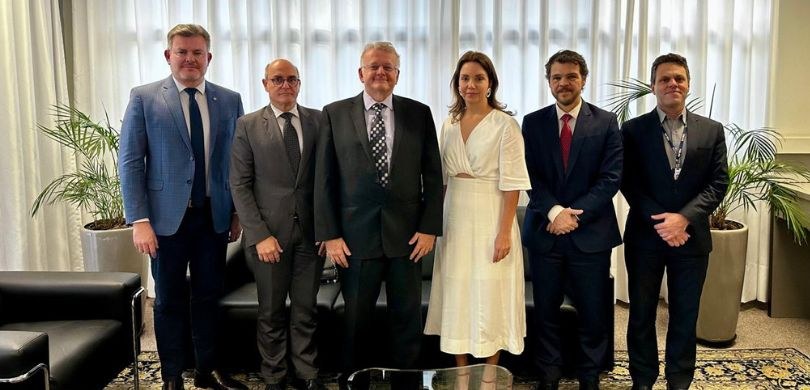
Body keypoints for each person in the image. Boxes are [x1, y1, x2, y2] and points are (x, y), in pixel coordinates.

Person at [119, 24, 246, 390]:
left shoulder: (229, 99)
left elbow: (236, 162)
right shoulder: (145, 97)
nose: (190, 59)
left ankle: (208, 371)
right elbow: (130, 161)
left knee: (208, 297)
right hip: (164, 221)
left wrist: (236, 211)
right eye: (182, 52)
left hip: (213, 217)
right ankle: (172, 375)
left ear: (209, 57)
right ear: (168, 55)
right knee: (169, 300)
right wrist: (139, 220)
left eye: (197, 53)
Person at [314, 41, 443, 381]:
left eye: (388, 67)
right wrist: (330, 235)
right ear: (361, 73)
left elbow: (433, 175)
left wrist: (430, 227)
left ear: (398, 75)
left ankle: (406, 383)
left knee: (407, 318)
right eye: (374, 66)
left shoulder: (419, 113)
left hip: (409, 237)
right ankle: (355, 381)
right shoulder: (334, 113)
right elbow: (324, 179)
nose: (381, 72)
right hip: (354, 239)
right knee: (356, 319)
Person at [423, 51, 531, 389]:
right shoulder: (449, 123)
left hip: (491, 216)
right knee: (457, 293)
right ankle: (461, 372)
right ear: (457, 84)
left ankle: (488, 375)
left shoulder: (505, 125)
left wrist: (504, 233)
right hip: (454, 216)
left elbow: (513, 183)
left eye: (478, 78)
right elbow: (439, 179)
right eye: (465, 78)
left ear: (490, 84)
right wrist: (432, 226)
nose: (470, 85)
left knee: (490, 294)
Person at [621, 53, 728, 390]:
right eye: (665, 79)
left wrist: (683, 219)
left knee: (684, 315)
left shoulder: (711, 131)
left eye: (679, 78)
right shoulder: (633, 130)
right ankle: (643, 378)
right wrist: (663, 223)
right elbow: (628, 182)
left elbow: (718, 182)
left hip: (691, 239)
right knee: (641, 314)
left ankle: (679, 380)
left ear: (688, 84)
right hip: (645, 238)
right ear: (654, 86)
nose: (673, 84)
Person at [521, 50, 623, 390]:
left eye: (571, 76)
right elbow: (529, 175)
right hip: (545, 233)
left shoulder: (606, 122)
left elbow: (610, 178)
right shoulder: (532, 123)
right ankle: (548, 376)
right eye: (557, 77)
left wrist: (572, 215)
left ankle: (589, 376)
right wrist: (554, 212)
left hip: (590, 234)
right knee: (546, 312)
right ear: (548, 81)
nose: (563, 83)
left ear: (583, 79)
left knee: (593, 313)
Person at [229, 59, 325, 390]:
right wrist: (259, 235)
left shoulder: (318, 121)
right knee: (270, 312)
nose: (285, 85)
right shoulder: (248, 125)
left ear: (299, 84)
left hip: (312, 236)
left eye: (291, 79)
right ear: (265, 84)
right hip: (269, 238)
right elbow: (239, 185)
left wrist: (328, 230)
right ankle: (274, 376)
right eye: (277, 79)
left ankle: (307, 374)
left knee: (305, 310)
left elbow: (328, 181)